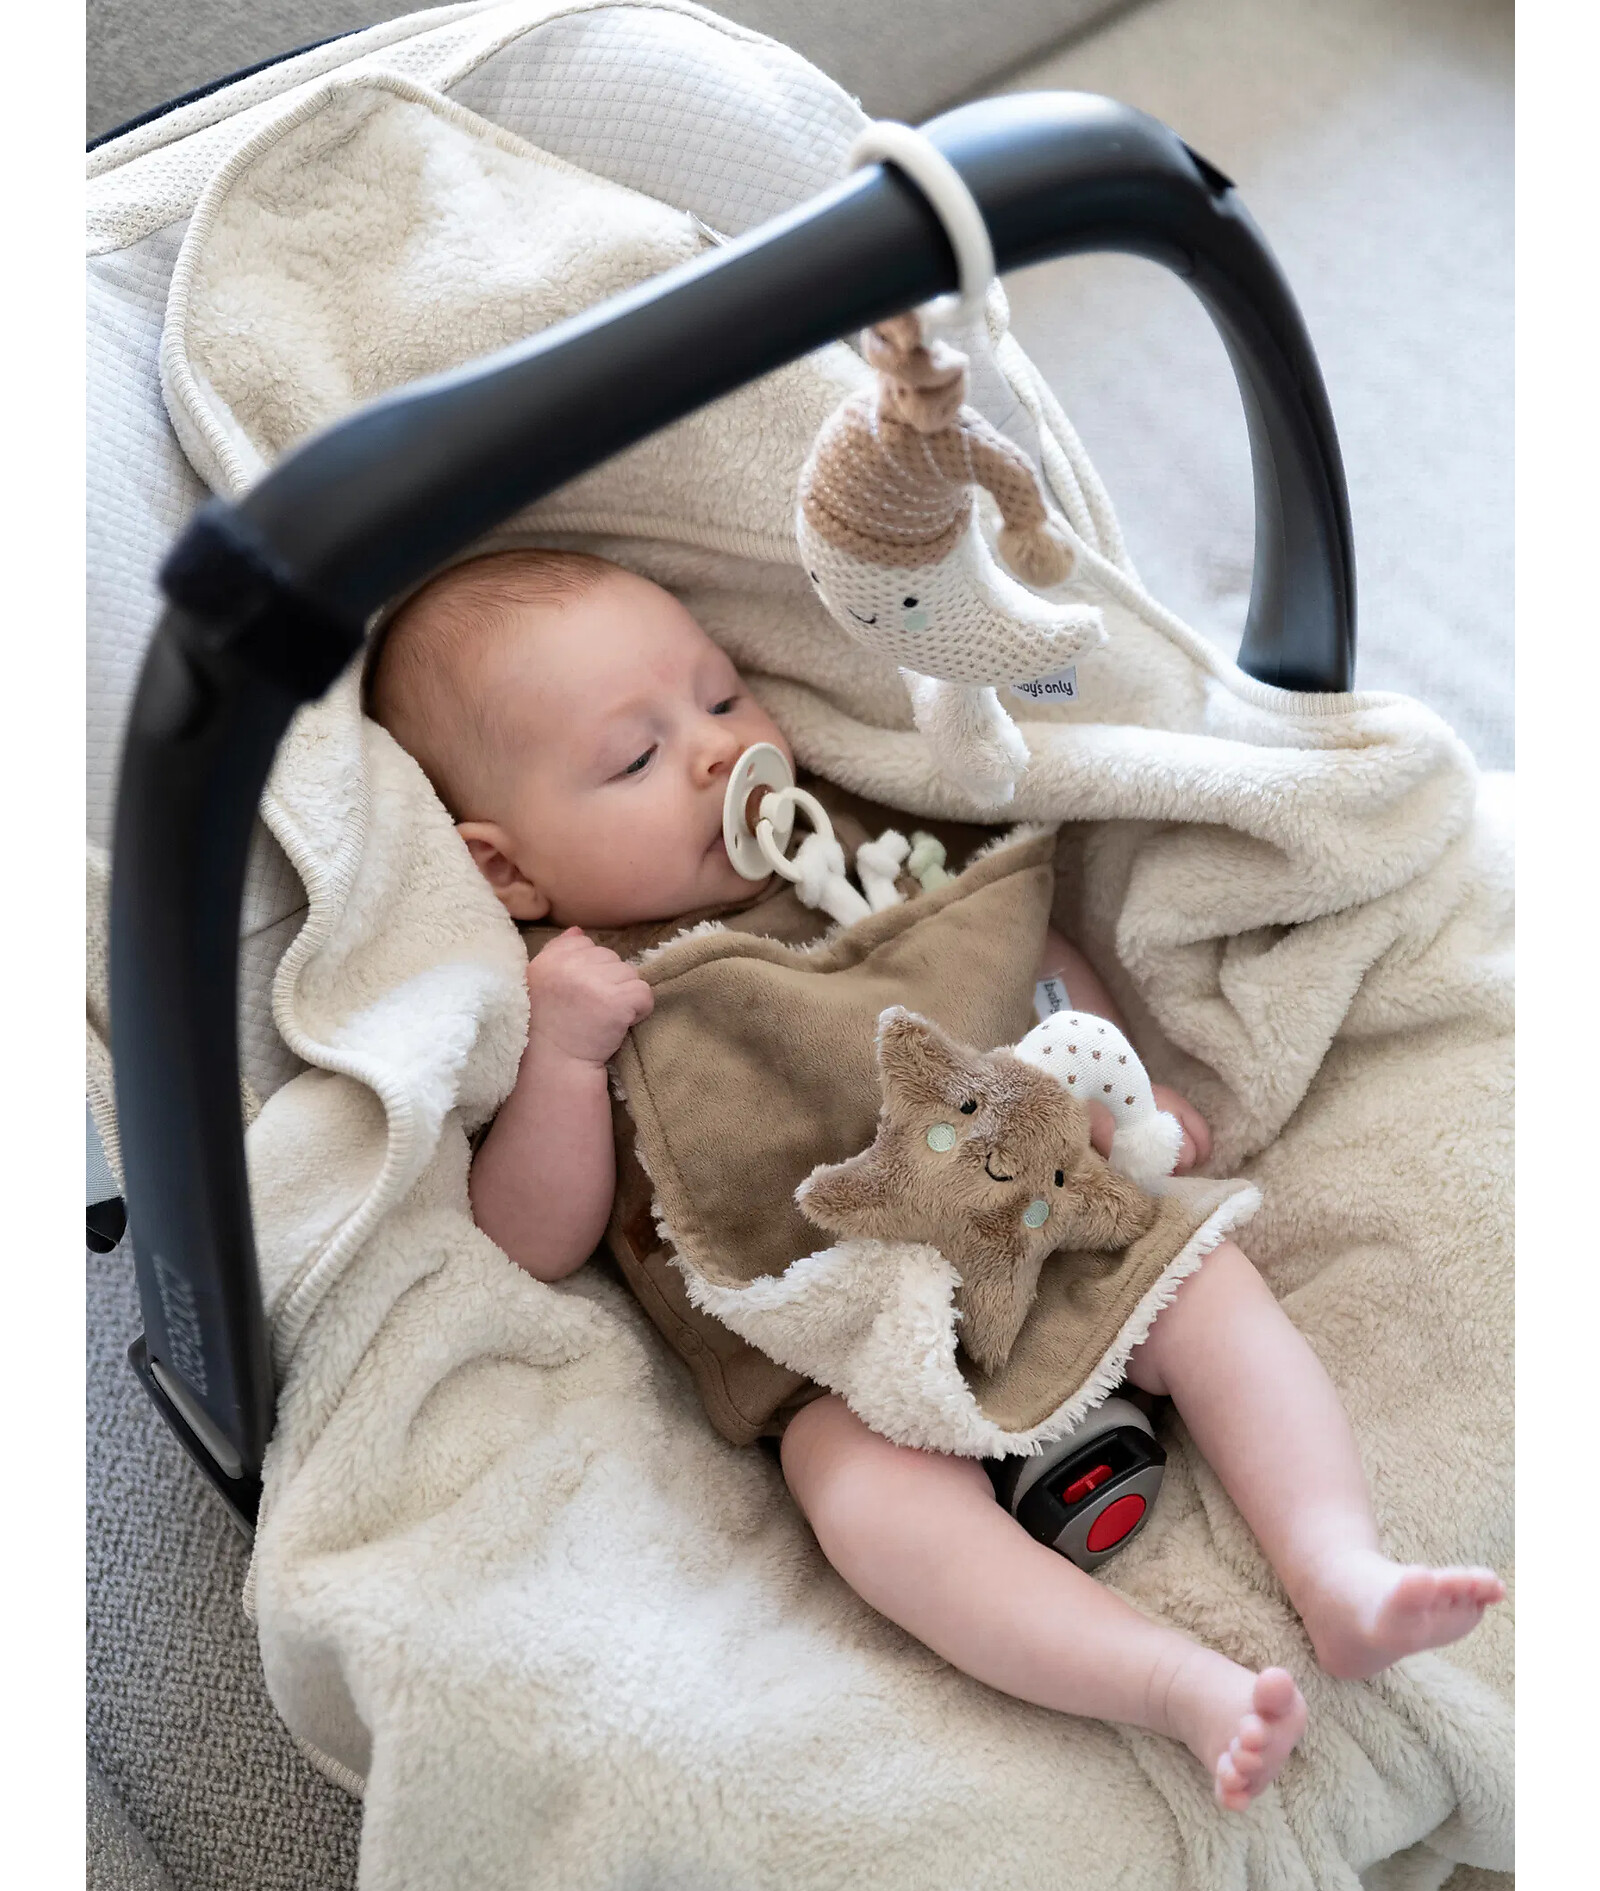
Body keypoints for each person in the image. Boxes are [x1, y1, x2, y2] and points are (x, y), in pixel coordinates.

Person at [368, 546, 1503, 1811]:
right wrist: (566, 1059)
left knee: (1207, 1284)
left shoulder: (864, 847)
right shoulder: (571, 985)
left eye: (723, 693)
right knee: (862, 1500)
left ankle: (1335, 1565)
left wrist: (1108, 1080)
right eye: (635, 757)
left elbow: (1020, 946)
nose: (715, 749)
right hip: (839, 1348)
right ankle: (1170, 1684)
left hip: (1043, 1211)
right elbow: (529, 1237)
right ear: (507, 868)